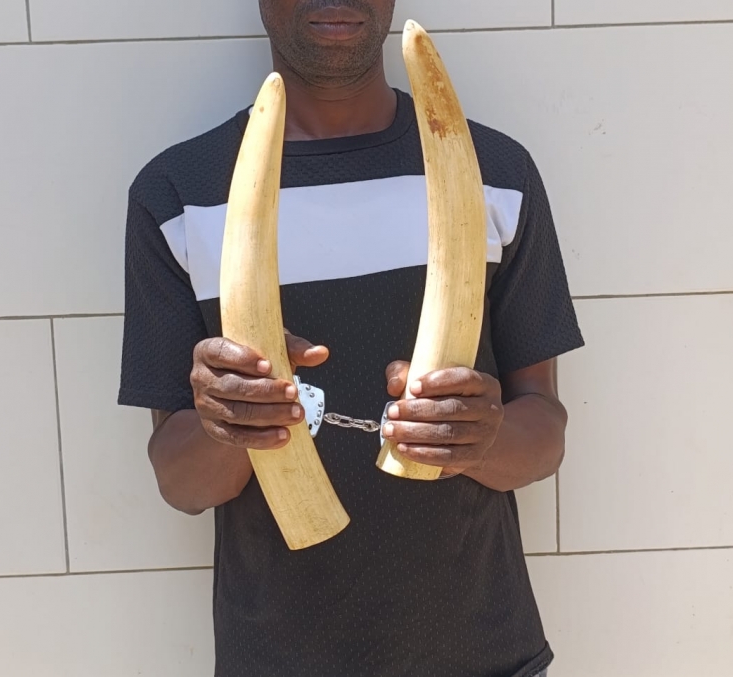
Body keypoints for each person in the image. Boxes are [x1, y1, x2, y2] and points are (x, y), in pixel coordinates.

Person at [118, 1, 584, 675]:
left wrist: (481, 436)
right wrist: (231, 422)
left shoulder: (494, 173)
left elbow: (544, 435)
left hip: (485, 654)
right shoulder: (178, 195)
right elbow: (181, 481)